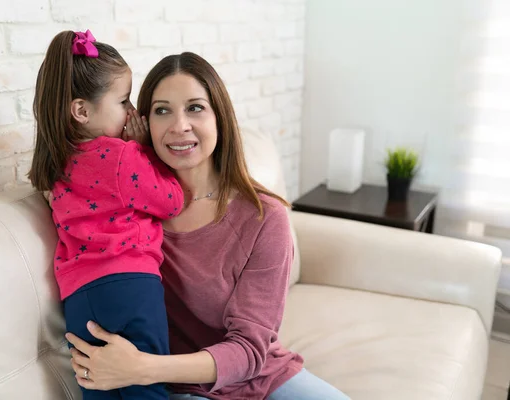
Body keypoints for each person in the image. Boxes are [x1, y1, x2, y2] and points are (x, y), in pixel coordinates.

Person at [64, 52, 351, 400]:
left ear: (220, 117)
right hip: (180, 389)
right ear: (142, 121)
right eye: (162, 110)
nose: (179, 125)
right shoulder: (125, 211)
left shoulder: (264, 218)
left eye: (195, 108)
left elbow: (249, 349)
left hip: (258, 375)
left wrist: (142, 367)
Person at [29, 29, 183, 400]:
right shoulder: (121, 157)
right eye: (124, 101)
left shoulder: (57, 164)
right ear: (82, 110)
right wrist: (144, 146)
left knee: (98, 386)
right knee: (146, 386)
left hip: (79, 297)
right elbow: (172, 201)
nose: (133, 112)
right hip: (130, 285)